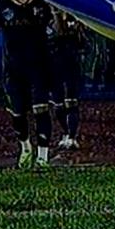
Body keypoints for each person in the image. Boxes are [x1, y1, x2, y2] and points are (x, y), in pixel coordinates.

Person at [0, 0, 55, 169]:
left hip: (39, 66)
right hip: (13, 68)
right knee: (18, 111)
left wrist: (57, 14)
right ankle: (25, 147)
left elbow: (56, 29)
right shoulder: (2, 5)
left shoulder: (41, 4)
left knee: (41, 108)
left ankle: (43, 156)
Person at [48, 9, 85, 150]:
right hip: (53, 65)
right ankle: (65, 132)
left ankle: (72, 136)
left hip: (71, 65)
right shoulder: (46, 18)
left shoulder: (75, 19)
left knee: (71, 101)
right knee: (58, 103)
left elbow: (80, 42)